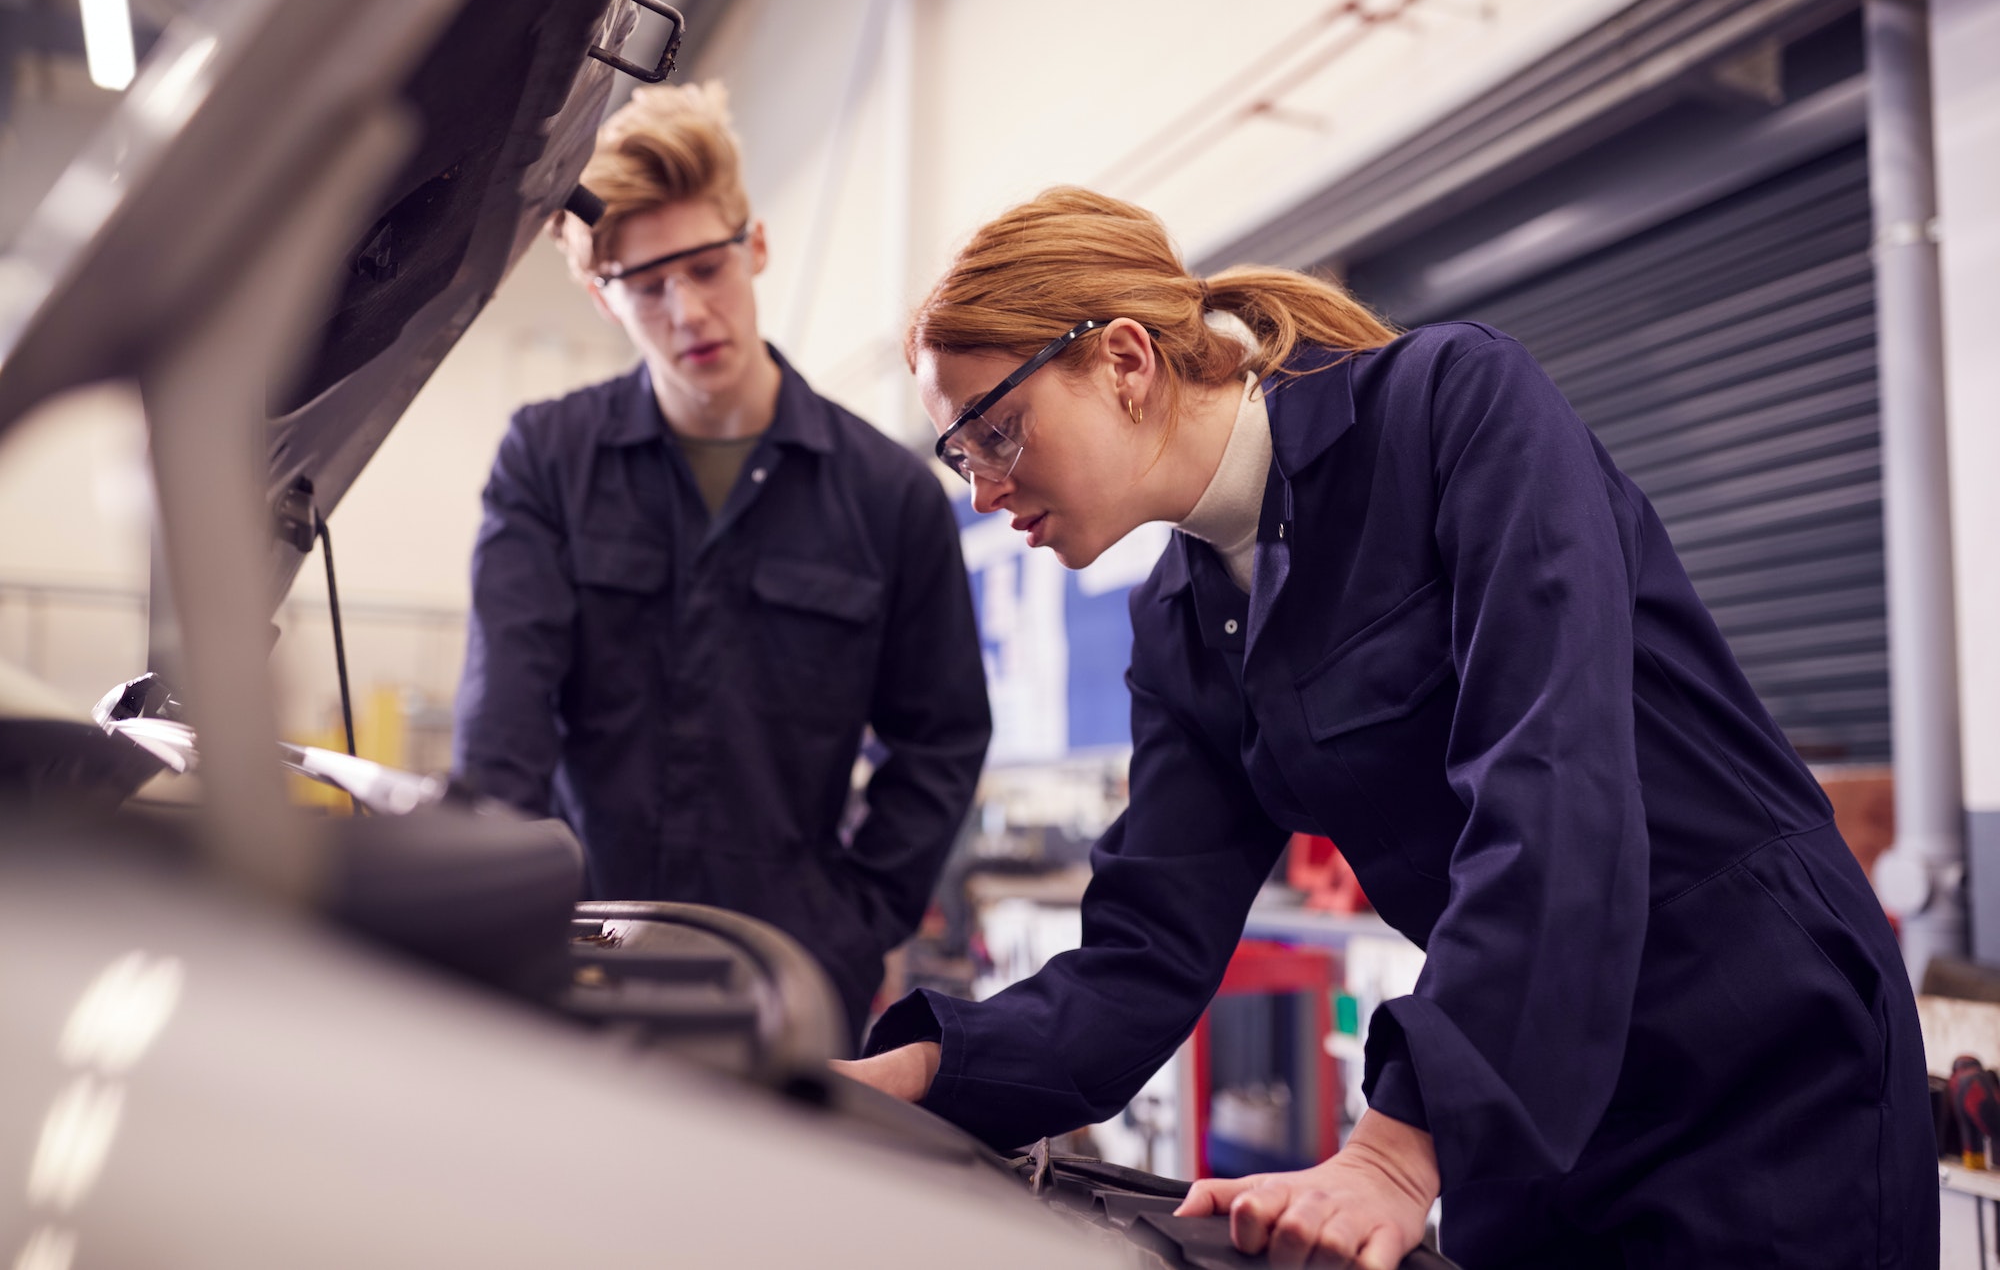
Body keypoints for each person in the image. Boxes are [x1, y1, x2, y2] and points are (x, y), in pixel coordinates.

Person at [832, 187, 1935, 1268]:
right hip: (1517, 1087)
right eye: (959, 454)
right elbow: (1144, 952)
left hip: (1752, 1049)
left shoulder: (1451, 408)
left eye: (995, 431)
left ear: (1123, 361)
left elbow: (1552, 783)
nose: (981, 490)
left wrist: (1394, 1154)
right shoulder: (1177, 621)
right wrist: (909, 1078)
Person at [452, 83, 991, 1045]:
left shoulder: (889, 495)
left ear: (758, 245)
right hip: (573, 965)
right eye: (648, 286)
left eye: (707, 267)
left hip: (784, 982)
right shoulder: (546, 462)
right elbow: (503, 739)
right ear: (599, 296)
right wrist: (500, 933)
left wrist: (847, 931)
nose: (689, 309)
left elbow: (940, 743)